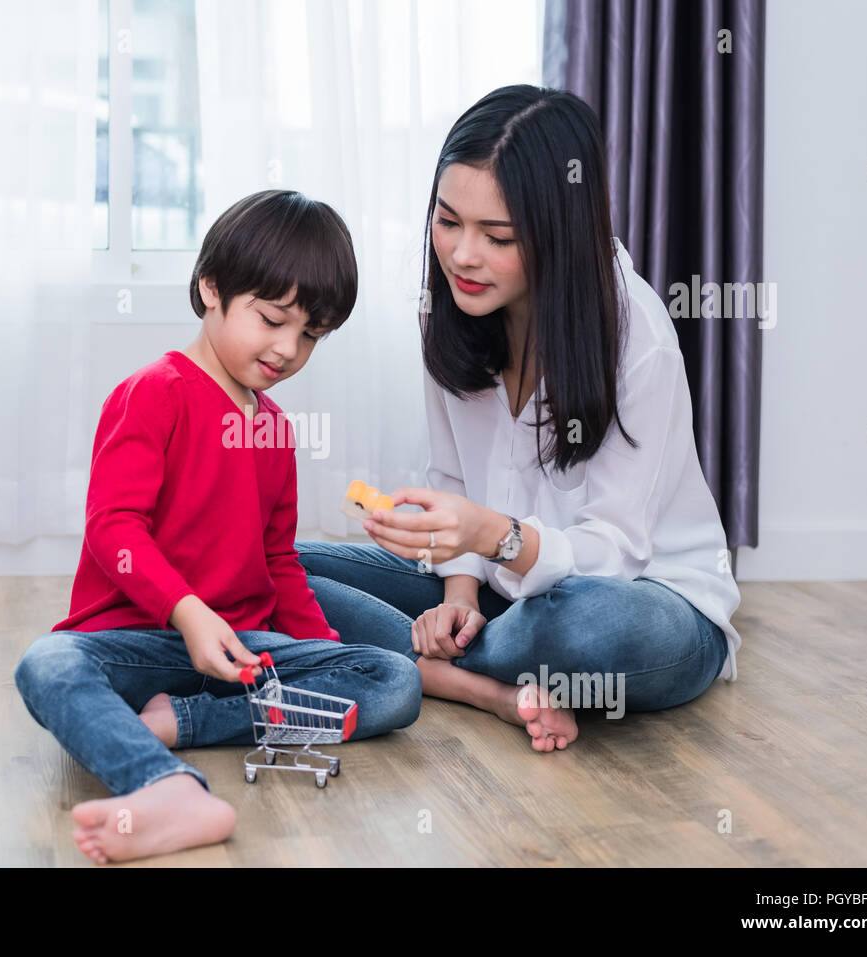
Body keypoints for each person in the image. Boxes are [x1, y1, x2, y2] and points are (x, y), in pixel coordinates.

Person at [296, 85, 743, 753]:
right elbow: (454, 479)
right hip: (504, 602)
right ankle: (485, 681)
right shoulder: (445, 310)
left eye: (497, 236)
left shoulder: (636, 338)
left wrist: (496, 536)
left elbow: (616, 552)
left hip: (642, 600)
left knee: (579, 626)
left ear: (558, 232)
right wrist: (460, 597)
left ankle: (411, 661)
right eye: (448, 222)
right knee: (273, 564)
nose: (463, 256)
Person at [14, 189, 422, 864]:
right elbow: (113, 529)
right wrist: (188, 612)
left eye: (312, 334)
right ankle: (166, 786)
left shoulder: (276, 430)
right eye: (272, 319)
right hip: (139, 642)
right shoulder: (153, 392)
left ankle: (184, 724)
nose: (289, 348)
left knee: (391, 680)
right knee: (47, 665)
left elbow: (279, 561)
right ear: (210, 287)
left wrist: (321, 658)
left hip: (246, 655)